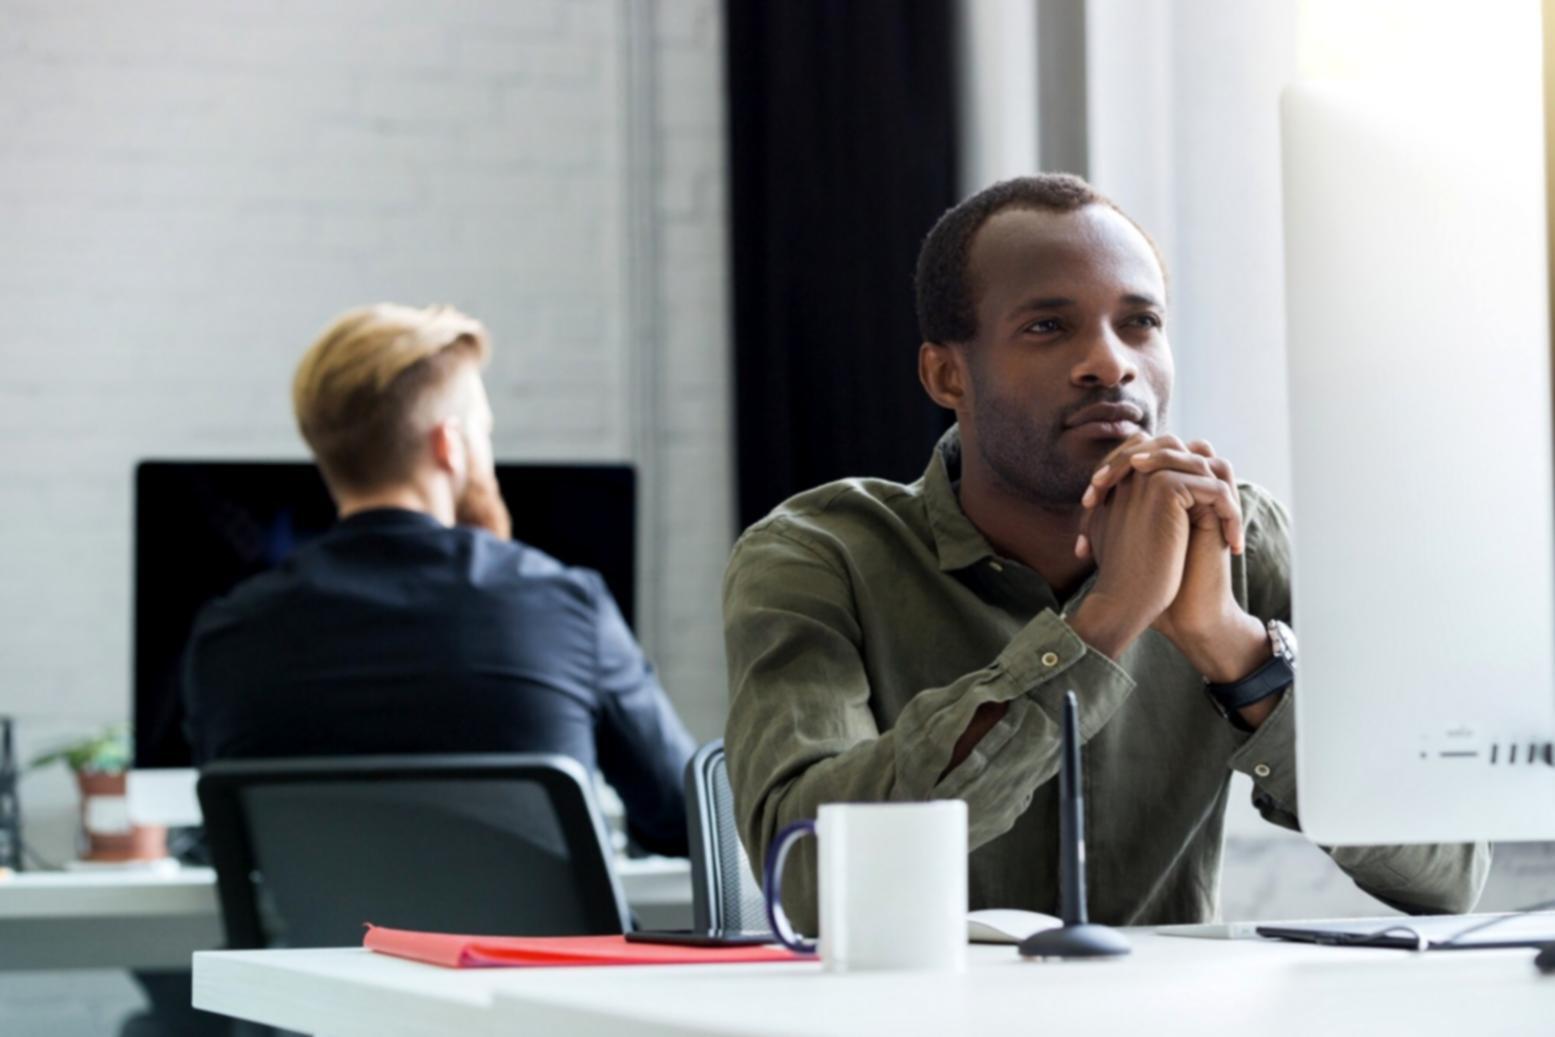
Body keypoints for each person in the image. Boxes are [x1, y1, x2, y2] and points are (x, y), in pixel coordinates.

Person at [722, 174, 1489, 931]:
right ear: (946, 373)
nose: (1109, 363)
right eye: (1047, 327)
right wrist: (1103, 622)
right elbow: (806, 879)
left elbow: (1450, 874)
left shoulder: (1241, 544)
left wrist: (1232, 647)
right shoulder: (817, 555)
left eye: (1140, 323)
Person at [183, 303, 695, 856]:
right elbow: (686, 819)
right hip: (530, 946)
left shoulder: (228, 634)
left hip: (330, 946)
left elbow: (232, 841)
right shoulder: (564, 604)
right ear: (450, 444)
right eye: (484, 431)